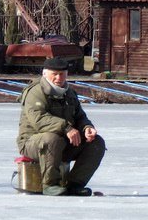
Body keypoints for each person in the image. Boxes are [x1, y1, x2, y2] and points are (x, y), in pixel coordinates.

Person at [17, 57, 105, 196]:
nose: (59, 78)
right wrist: (66, 128)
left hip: (63, 142)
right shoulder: (35, 92)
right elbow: (39, 119)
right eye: (55, 74)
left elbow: (80, 116)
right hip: (32, 143)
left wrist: (86, 128)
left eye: (62, 74)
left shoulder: (69, 93)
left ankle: (75, 184)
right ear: (45, 74)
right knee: (52, 139)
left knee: (96, 143)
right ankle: (50, 184)